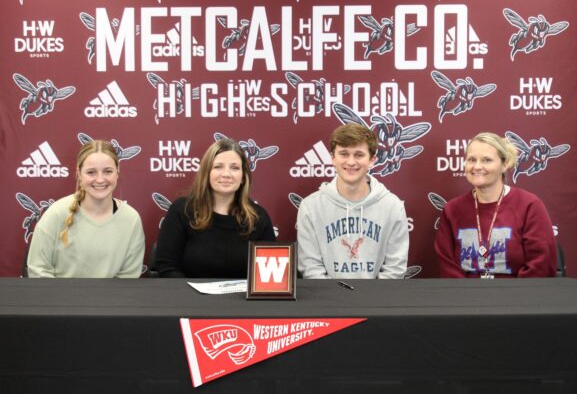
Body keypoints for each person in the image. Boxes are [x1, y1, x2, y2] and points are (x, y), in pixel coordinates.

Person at [434, 132, 556, 278]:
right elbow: (448, 268)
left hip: (519, 297)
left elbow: (541, 265)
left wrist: (511, 298)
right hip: (464, 298)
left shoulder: (529, 205)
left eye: (487, 160)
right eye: (471, 159)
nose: (477, 166)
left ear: (505, 164)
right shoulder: (452, 210)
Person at [297, 124, 409, 279]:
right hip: (328, 300)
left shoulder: (392, 206)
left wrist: (369, 300)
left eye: (359, 155)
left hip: (377, 300)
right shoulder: (310, 207)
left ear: (372, 160)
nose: (350, 162)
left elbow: (395, 269)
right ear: (333, 158)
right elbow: (311, 269)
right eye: (344, 154)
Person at [155, 139, 276, 278]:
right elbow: (167, 267)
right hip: (190, 298)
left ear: (243, 177)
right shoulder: (182, 210)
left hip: (242, 299)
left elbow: (269, 275)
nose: (226, 174)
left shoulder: (258, 217)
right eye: (218, 166)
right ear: (207, 173)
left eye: (235, 168)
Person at [28, 140, 145, 278]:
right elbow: (38, 269)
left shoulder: (131, 219)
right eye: (91, 172)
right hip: (59, 299)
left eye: (107, 171)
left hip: (111, 299)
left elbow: (128, 279)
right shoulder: (56, 213)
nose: (100, 179)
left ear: (117, 173)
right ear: (79, 174)